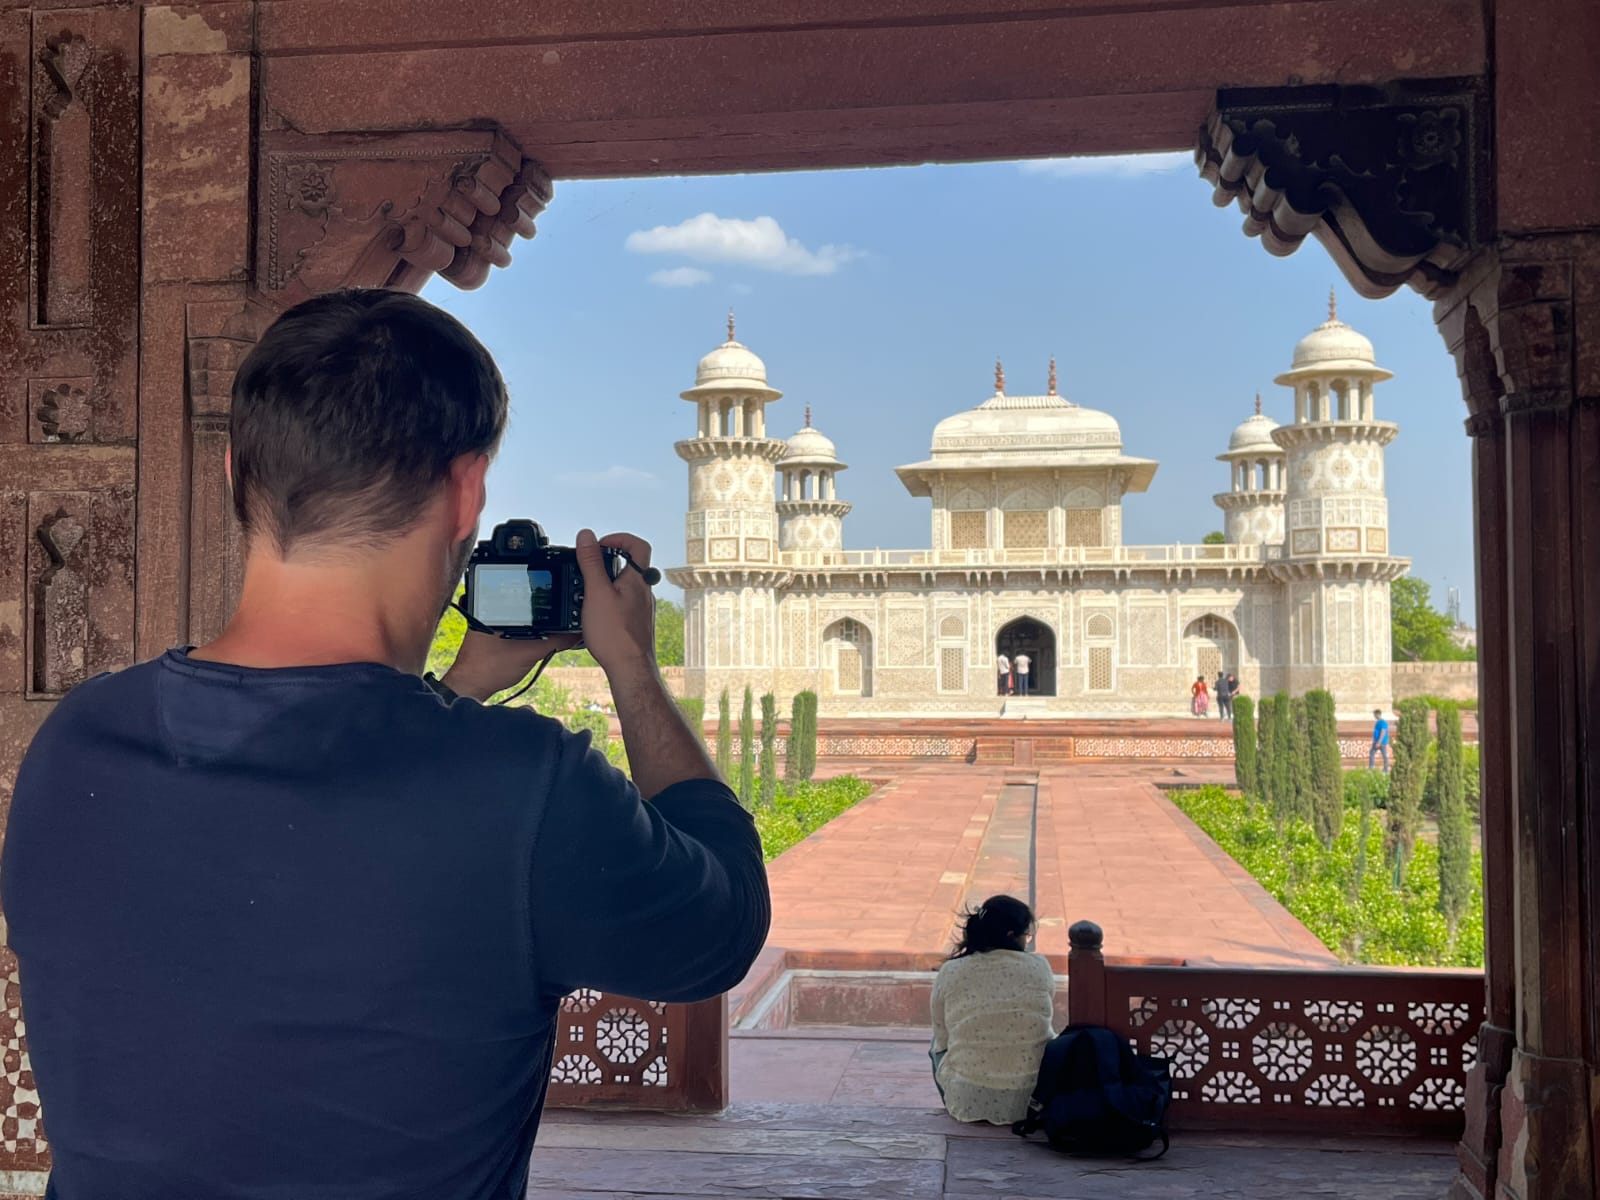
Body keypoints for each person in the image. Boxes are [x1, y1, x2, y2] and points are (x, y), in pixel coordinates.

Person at [1, 290, 772, 1200]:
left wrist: (459, 685)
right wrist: (633, 671)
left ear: (231, 471)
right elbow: (720, 930)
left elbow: (309, 840)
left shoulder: (77, 745)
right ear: (467, 491)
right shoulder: (527, 793)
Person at [929, 895, 1056, 1125]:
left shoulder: (951, 971)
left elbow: (942, 1036)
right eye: (1026, 935)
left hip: (966, 1101)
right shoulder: (1040, 967)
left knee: (935, 1044)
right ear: (1011, 936)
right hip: (1034, 1101)